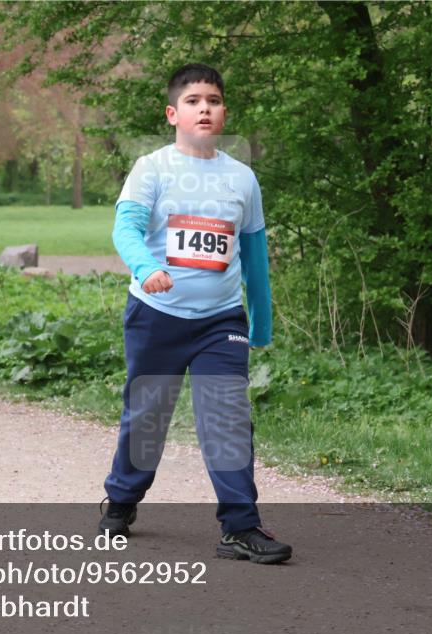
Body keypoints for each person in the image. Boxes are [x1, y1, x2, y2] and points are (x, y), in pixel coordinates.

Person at [98, 64, 291, 564]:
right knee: (147, 417)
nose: (204, 107)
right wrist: (145, 268)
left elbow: (254, 257)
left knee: (227, 417)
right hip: (156, 314)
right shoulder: (152, 168)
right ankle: (120, 501)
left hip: (220, 322)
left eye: (214, 99)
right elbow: (126, 230)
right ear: (172, 113)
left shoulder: (242, 179)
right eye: (193, 100)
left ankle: (240, 526)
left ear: (224, 113)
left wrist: (261, 321)